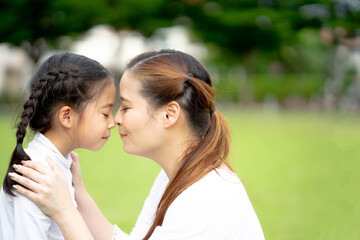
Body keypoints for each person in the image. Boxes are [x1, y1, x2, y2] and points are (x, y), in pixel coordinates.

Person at [9, 49, 265, 240]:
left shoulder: (206, 199)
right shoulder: (174, 178)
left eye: (126, 107)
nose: (117, 119)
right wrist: (79, 197)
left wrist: (66, 211)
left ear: (169, 114)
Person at [0, 52, 116, 240]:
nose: (112, 122)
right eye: (105, 113)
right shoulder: (36, 173)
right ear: (67, 117)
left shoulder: (58, 163)